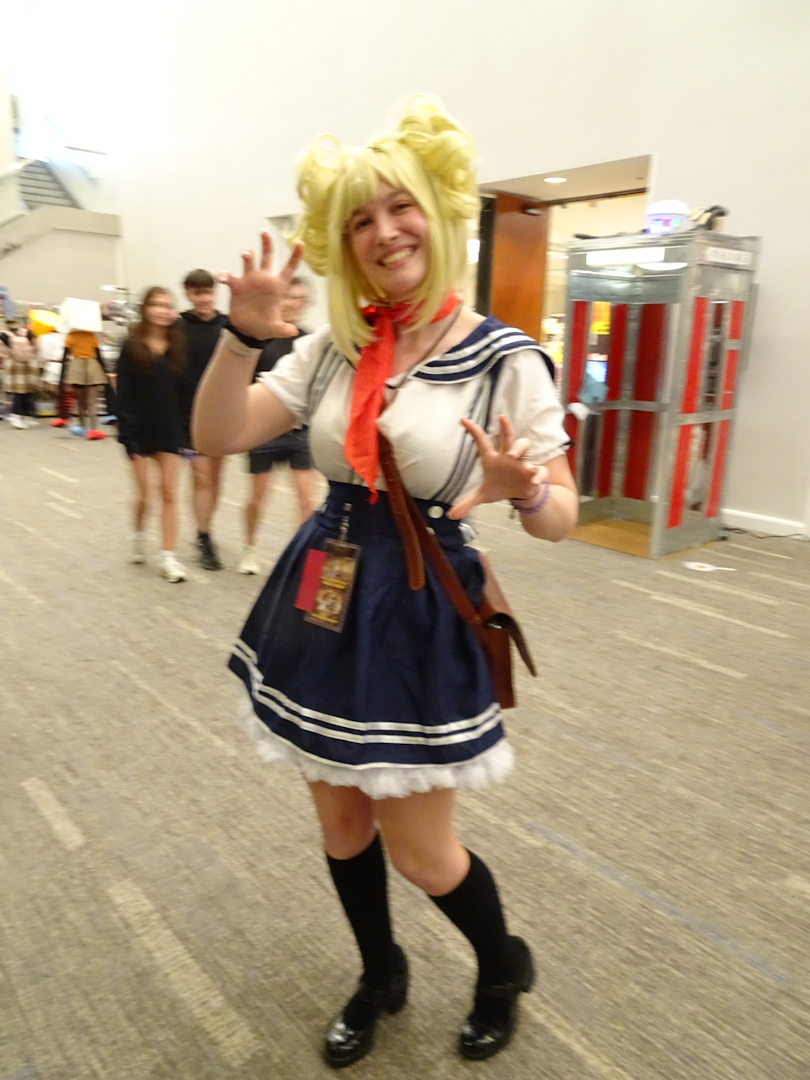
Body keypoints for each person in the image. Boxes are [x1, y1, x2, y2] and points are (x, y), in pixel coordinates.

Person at [193, 96, 578, 1067]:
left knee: (421, 851)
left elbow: (562, 514)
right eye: (360, 218)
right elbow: (217, 435)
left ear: (439, 215)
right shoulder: (337, 346)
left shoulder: (503, 359)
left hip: (417, 600)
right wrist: (240, 339)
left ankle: (501, 965)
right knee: (339, 818)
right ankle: (379, 973)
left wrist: (526, 489)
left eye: (400, 206)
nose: (384, 231)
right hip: (323, 585)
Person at [239, 276, 319, 575]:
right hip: (263, 432)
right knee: (258, 499)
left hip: (301, 432)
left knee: (307, 499)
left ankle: (301, 558)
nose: (295, 303)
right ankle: (249, 548)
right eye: (289, 297)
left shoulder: (311, 342)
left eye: (300, 298)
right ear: (278, 300)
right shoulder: (263, 337)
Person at [117, 287, 188, 583]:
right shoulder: (131, 346)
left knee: (169, 492)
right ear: (145, 309)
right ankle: (137, 535)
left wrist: (187, 430)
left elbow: (185, 393)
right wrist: (127, 435)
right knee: (145, 494)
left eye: (167, 305)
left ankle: (168, 557)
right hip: (139, 430)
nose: (162, 310)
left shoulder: (178, 347)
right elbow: (123, 395)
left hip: (169, 430)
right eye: (156, 304)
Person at [179, 270, 228, 570]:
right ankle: (204, 536)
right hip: (186, 417)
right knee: (200, 476)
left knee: (216, 477)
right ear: (188, 294)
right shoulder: (178, 326)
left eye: (208, 292)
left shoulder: (226, 326)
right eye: (197, 293)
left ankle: (206, 527)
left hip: (221, 414)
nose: (204, 298)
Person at [62, 328, 107, 436]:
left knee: (80, 401)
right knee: (92, 402)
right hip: (92, 366)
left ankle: (82, 427)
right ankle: (94, 429)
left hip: (77, 366)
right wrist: (105, 370)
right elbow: (98, 354)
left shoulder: (70, 336)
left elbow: (65, 355)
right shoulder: (91, 335)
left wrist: (64, 376)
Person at [3, 327, 40, 428]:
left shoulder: (11, 339)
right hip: (24, 369)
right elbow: (34, 352)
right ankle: (20, 416)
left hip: (16, 369)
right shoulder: (25, 338)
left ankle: (21, 417)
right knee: (23, 395)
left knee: (20, 394)